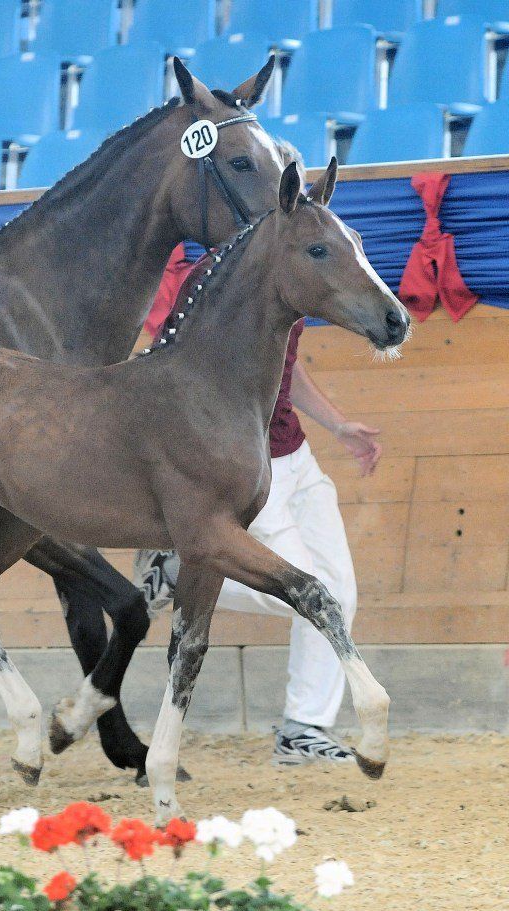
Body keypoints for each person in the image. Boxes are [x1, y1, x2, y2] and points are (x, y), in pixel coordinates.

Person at [134, 180, 384, 766]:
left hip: (295, 453)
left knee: (339, 593)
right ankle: (179, 571)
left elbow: (290, 364)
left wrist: (339, 425)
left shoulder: (290, 268)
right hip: (245, 465)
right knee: (304, 588)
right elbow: (167, 359)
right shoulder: (214, 278)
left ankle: (303, 728)